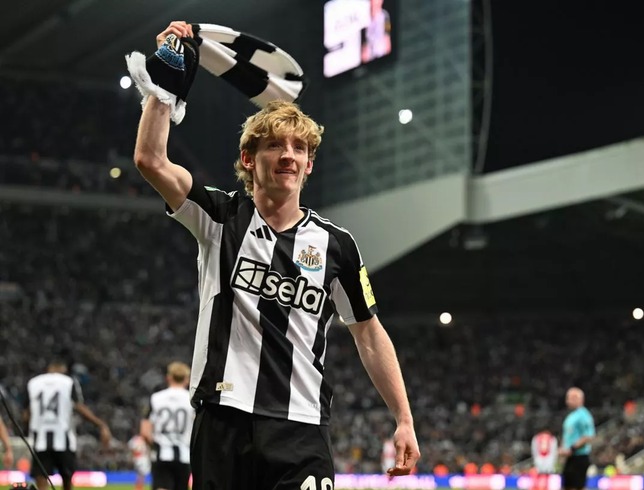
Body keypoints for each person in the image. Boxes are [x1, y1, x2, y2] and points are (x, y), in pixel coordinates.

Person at [133, 20, 420, 490]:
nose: (288, 155)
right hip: (222, 422)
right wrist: (165, 81)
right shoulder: (219, 216)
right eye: (274, 145)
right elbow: (150, 160)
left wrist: (404, 418)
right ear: (249, 159)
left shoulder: (338, 245)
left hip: (300, 429)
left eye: (299, 148)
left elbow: (368, 333)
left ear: (309, 165)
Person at [24, 360, 111, 490]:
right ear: (63, 368)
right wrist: (101, 425)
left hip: (40, 438)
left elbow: (26, 414)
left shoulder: (33, 383)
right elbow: (80, 407)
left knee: (41, 480)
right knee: (67, 478)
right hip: (63, 437)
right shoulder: (68, 382)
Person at [140, 362, 193, 490]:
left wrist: (154, 447)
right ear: (187, 379)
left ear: (168, 377)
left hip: (161, 453)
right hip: (185, 455)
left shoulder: (156, 398)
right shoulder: (192, 400)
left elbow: (145, 432)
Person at [558, 387, 595, 490]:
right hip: (570, 457)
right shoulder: (571, 416)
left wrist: (572, 449)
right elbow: (568, 436)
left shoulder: (584, 415)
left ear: (577, 398)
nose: (567, 401)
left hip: (580, 457)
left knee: (578, 486)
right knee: (568, 485)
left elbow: (588, 436)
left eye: (569, 398)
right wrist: (563, 449)